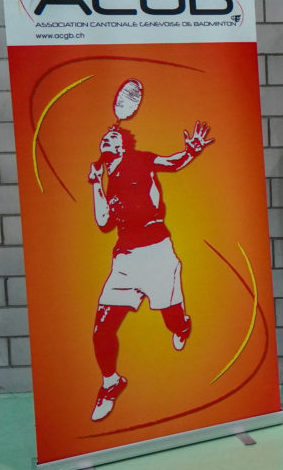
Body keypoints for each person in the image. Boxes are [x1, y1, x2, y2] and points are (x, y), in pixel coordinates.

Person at [88, 120, 213, 421]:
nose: (107, 139)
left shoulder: (140, 160)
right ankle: (111, 383)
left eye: (113, 136)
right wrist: (94, 184)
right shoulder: (105, 177)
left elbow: (171, 163)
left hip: (157, 253)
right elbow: (104, 221)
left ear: (123, 145)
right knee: (102, 329)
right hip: (125, 259)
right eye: (104, 137)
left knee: (172, 321)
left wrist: (190, 152)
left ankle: (182, 325)